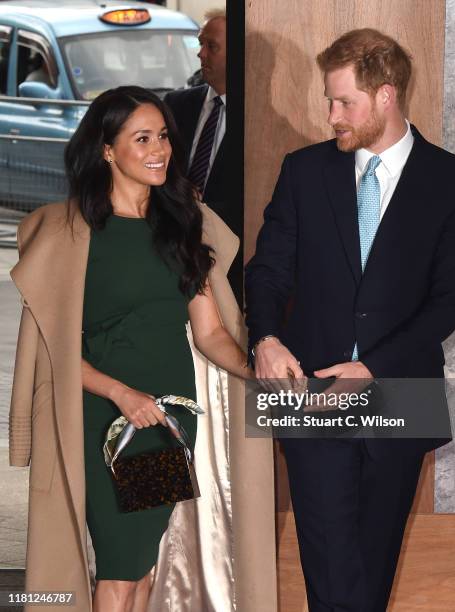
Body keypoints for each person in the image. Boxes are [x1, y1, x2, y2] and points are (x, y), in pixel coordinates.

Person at [245, 29, 455, 612]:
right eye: (328, 100)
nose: (330, 115)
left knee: (375, 559)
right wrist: (266, 338)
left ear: (386, 95)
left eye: (343, 102)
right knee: (327, 557)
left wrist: (372, 366)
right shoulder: (302, 171)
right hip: (307, 385)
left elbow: (448, 303)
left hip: (399, 387)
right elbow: (268, 268)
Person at [8, 85, 272, 612]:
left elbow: (211, 333)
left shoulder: (181, 224)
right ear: (107, 149)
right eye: (142, 138)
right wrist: (121, 394)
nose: (160, 150)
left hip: (168, 420)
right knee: (119, 561)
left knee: (143, 561)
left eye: (164, 138)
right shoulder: (71, 233)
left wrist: (260, 373)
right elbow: (53, 352)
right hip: (103, 416)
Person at [164, 8, 243, 307]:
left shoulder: (256, 121)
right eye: (201, 44)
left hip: (228, 258)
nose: (201, 54)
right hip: (172, 249)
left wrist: (203, 210)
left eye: (212, 46)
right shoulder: (176, 104)